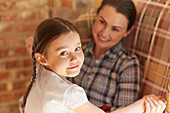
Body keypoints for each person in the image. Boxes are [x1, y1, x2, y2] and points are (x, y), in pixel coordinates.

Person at [21, 17, 166, 113]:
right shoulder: (69, 93)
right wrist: (143, 104)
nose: (75, 59)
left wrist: (34, 47)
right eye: (64, 53)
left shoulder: (40, 71)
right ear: (42, 59)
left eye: (77, 48)